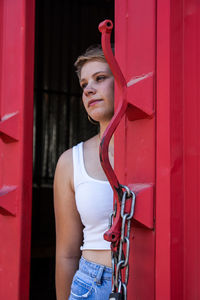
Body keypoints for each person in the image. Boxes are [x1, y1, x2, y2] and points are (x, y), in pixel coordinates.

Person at [53, 46, 115, 300]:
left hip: (149, 282)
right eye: (84, 84)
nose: (88, 89)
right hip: (92, 285)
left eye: (100, 78)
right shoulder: (71, 162)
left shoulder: (158, 154)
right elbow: (66, 254)